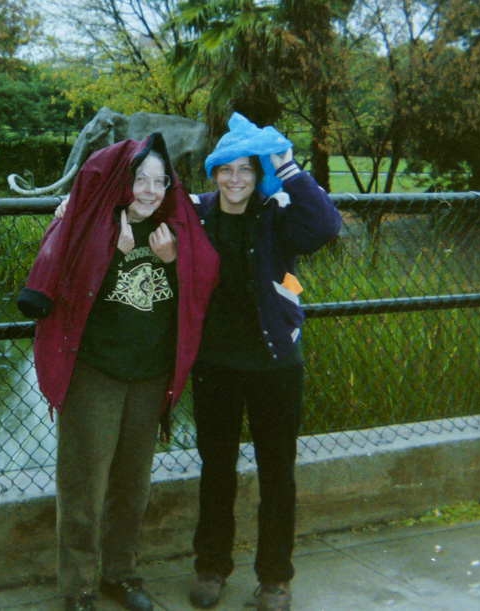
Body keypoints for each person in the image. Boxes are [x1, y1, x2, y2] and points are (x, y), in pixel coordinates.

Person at [17, 133, 219, 611]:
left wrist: (170, 263)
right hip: (95, 374)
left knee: (133, 484)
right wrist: (99, 237)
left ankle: (121, 574)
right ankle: (79, 587)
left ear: (169, 186)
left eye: (159, 181)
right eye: (139, 179)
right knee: (84, 483)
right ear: (123, 182)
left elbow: (202, 280)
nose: (149, 190)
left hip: (149, 378)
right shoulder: (91, 224)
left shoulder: (176, 230)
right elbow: (57, 268)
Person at [185, 113, 342, 611]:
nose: (235, 180)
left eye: (246, 170)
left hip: (276, 364)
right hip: (216, 365)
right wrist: (68, 205)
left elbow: (326, 225)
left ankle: (275, 577)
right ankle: (211, 567)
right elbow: (137, 207)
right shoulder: (196, 213)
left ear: (258, 175)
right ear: (214, 174)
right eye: (225, 170)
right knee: (217, 471)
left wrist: (288, 167)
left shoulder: (278, 212)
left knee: (278, 473)